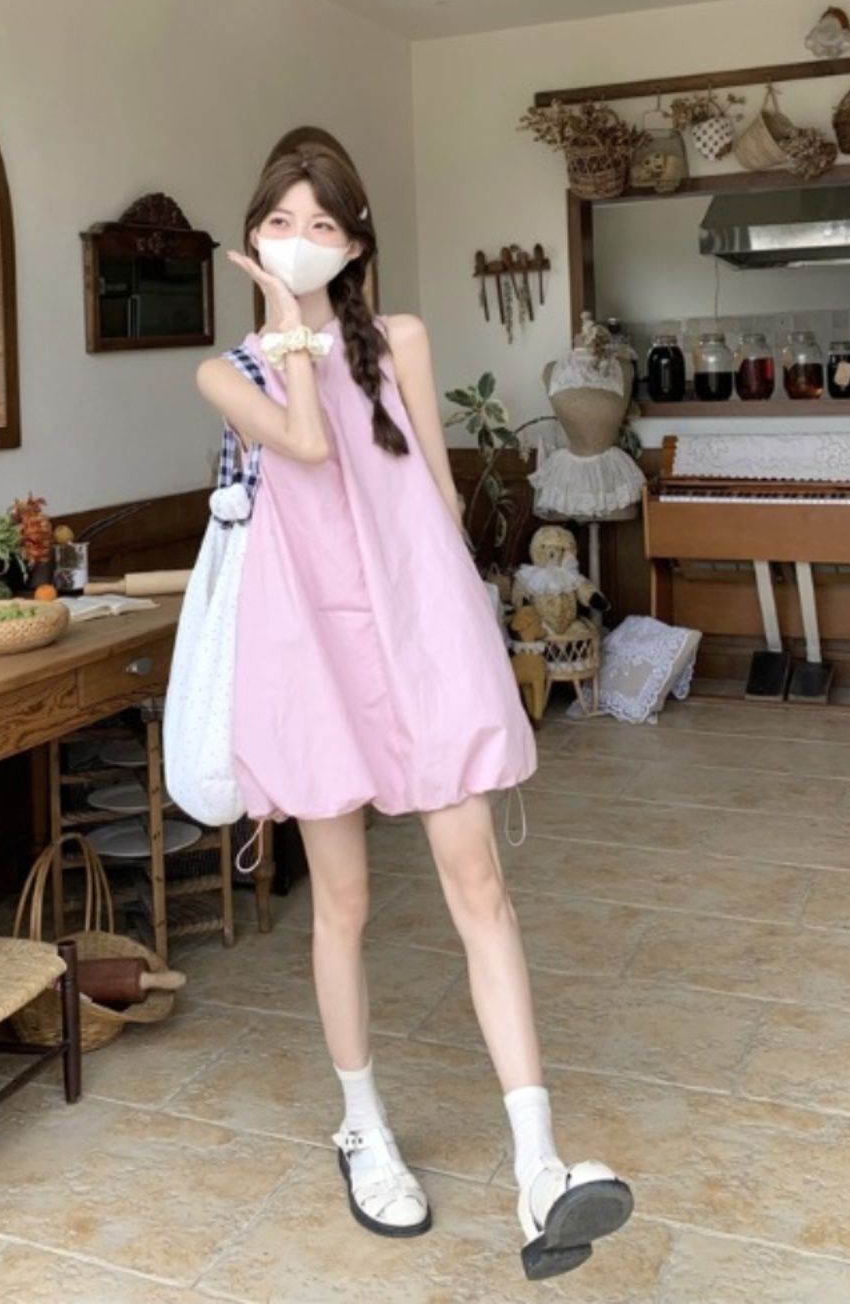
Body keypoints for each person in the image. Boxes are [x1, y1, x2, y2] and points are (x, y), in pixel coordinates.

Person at [196, 144, 633, 1282]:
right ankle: (362, 1127)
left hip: (417, 626)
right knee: (340, 901)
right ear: (254, 238)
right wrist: (287, 328)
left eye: (323, 225)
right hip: (310, 646)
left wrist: (467, 628)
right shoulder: (227, 371)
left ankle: (539, 1163)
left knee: (478, 884)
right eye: (281, 221)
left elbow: (435, 489)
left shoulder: (402, 340)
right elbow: (303, 443)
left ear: (356, 243)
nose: (301, 239)